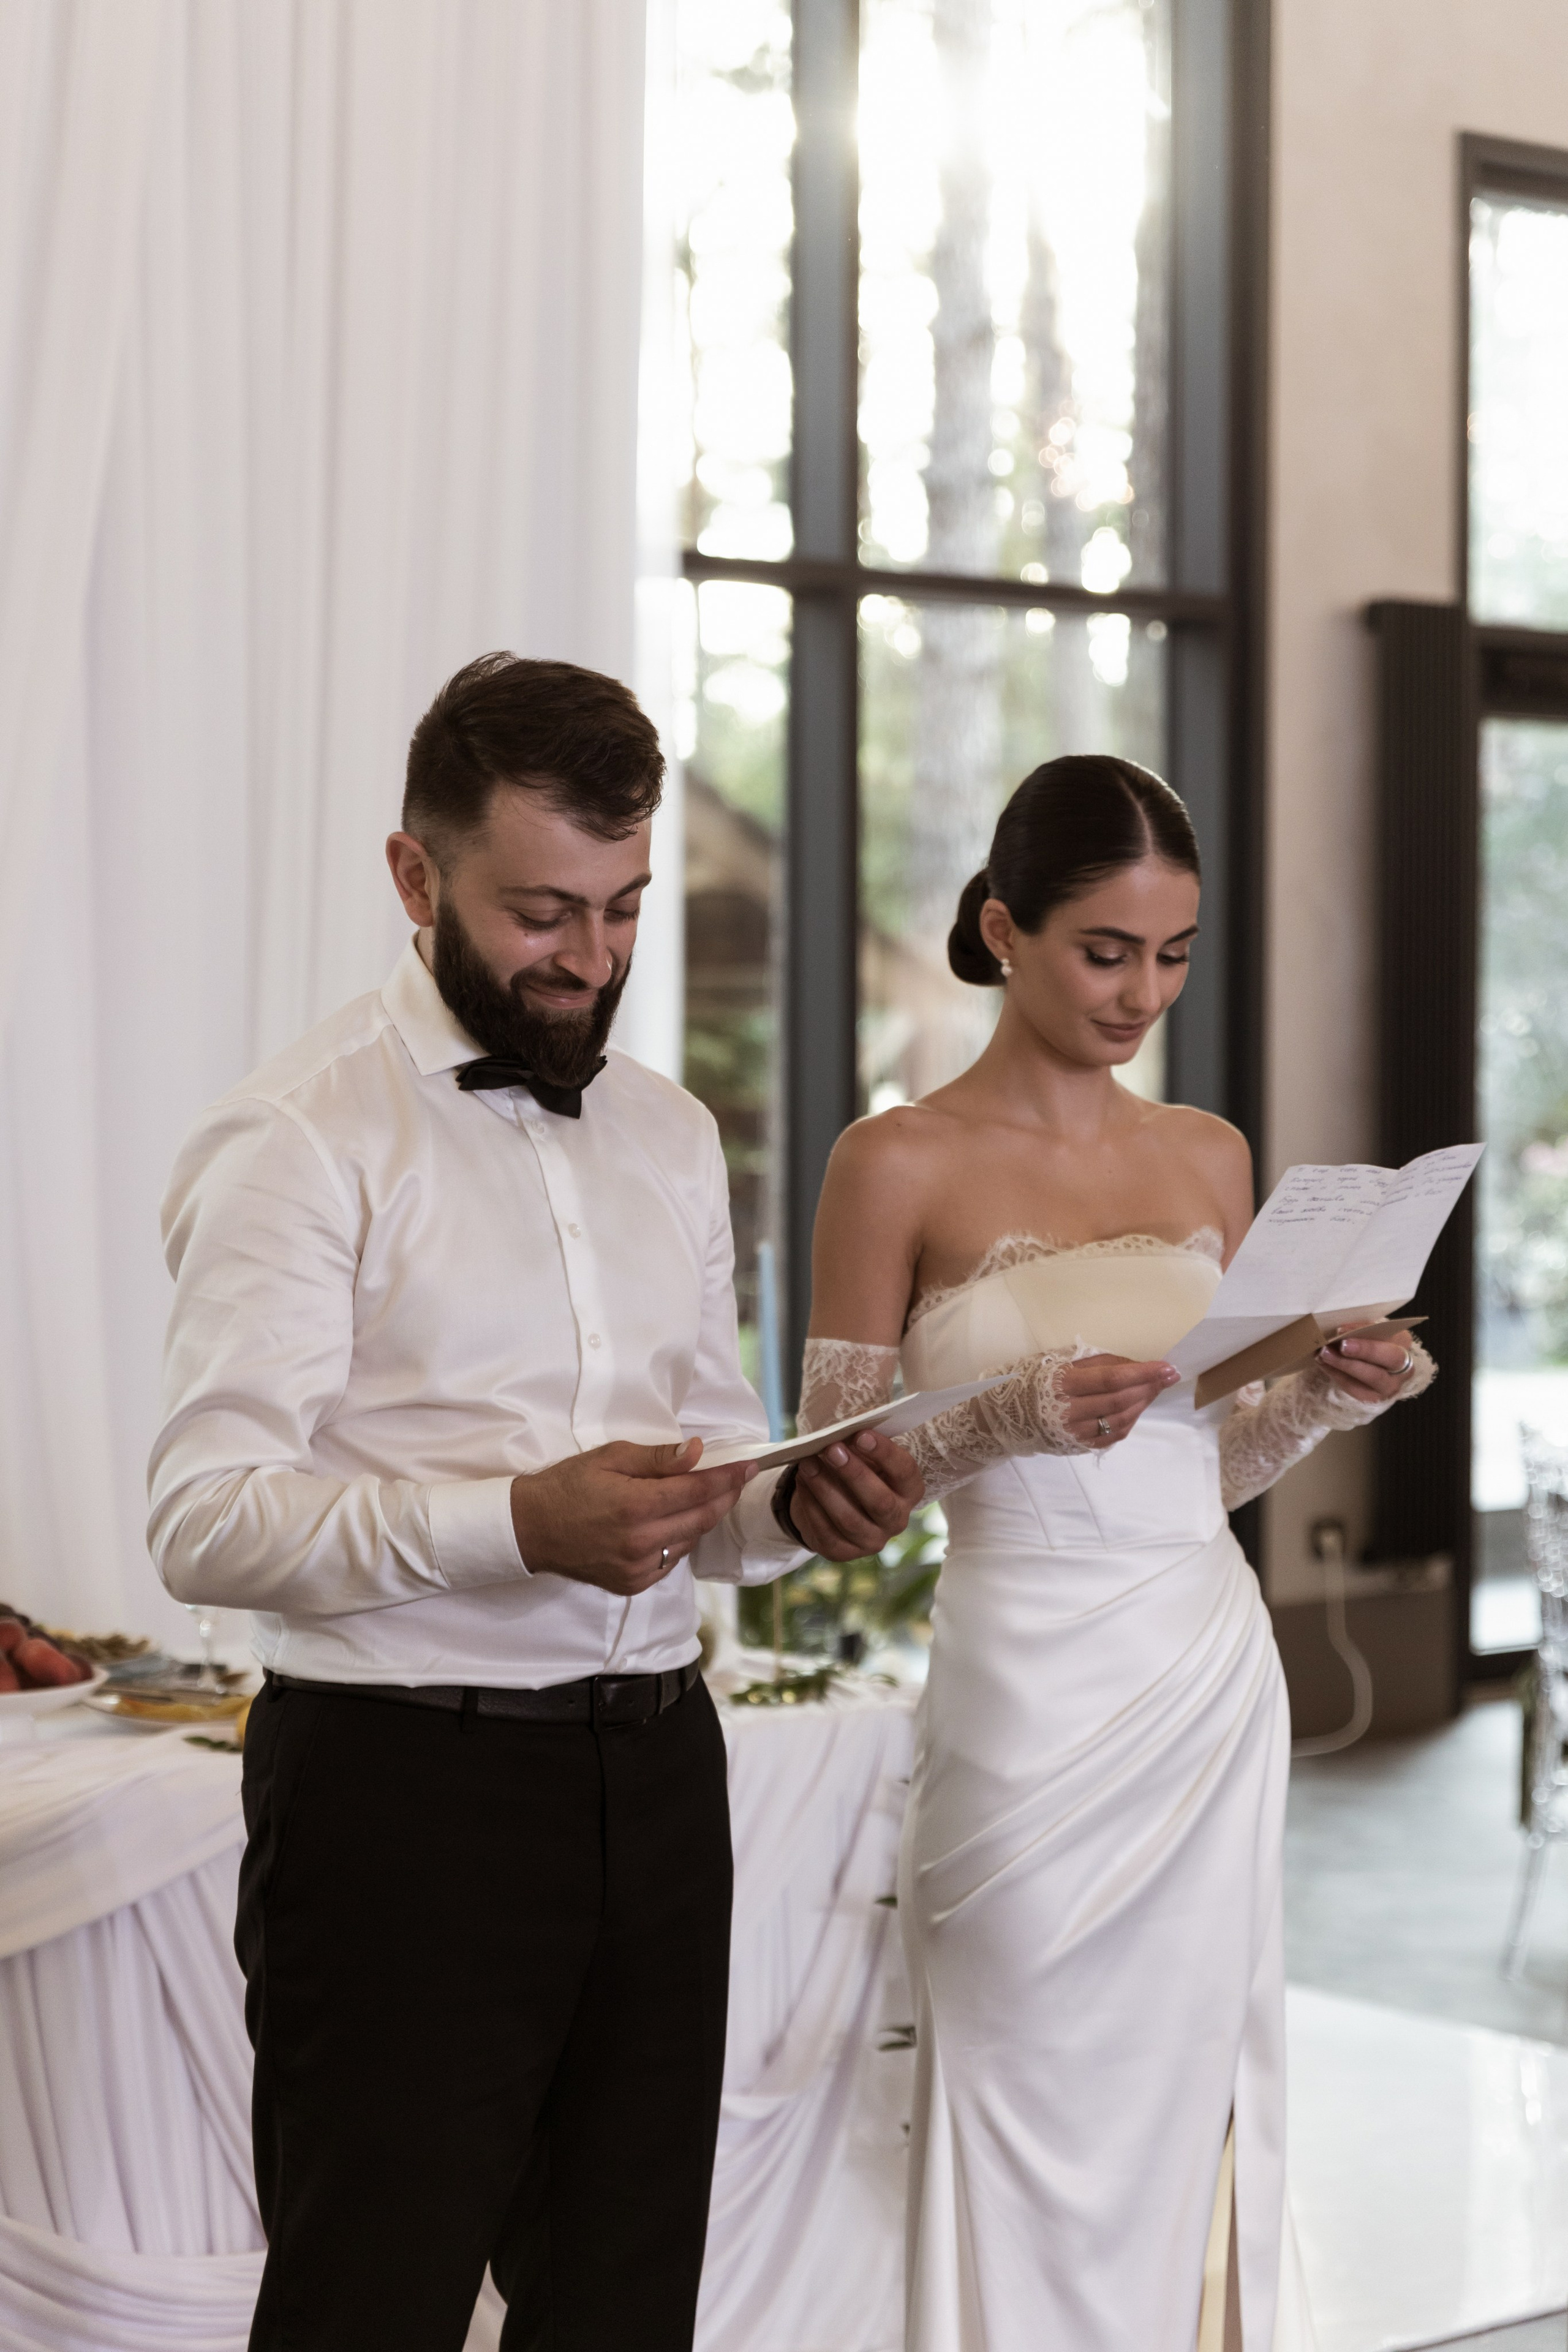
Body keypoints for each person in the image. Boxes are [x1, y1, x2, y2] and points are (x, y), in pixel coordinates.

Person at [147, 652, 922, 2352]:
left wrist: (802, 1511)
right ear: (416, 876)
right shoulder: (297, 1138)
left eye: (625, 909)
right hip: (399, 1801)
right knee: (375, 2304)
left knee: (623, 2305)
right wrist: (515, 1523)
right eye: (543, 912)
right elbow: (205, 1517)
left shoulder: (665, 1132)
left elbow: (704, 1473)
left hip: (657, 1775)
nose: (591, 962)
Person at [790, 755, 1433, 2352]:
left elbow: (1204, 1465)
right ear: (1003, 929)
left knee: (1184, 2085)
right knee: (1019, 2068)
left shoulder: (1208, 1155)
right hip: (1026, 1695)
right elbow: (820, 1487)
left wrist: (1329, 1397)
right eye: (1104, 949)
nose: (1142, 989)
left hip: (1204, 1670)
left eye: (1176, 952)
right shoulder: (895, 1164)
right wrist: (997, 1419)